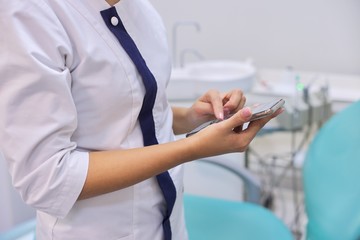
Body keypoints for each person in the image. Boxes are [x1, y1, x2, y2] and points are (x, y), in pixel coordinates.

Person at [0, 0, 282, 239]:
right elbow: (47, 177)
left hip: (167, 222)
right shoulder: (30, 14)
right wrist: (191, 149)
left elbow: (127, 112)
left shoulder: (141, 10)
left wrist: (191, 117)